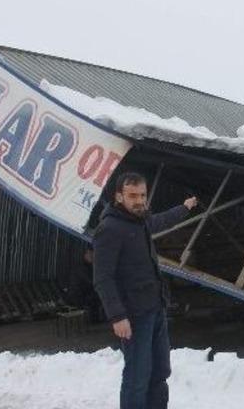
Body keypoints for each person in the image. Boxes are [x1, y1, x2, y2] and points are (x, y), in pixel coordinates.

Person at [93, 172, 198, 409]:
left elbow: (161, 220)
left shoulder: (139, 220)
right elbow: (102, 278)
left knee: (160, 370)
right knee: (137, 377)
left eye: (143, 195)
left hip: (155, 308)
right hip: (133, 316)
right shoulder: (109, 229)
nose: (139, 200)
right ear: (119, 196)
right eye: (133, 195)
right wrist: (117, 316)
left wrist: (185, 207)